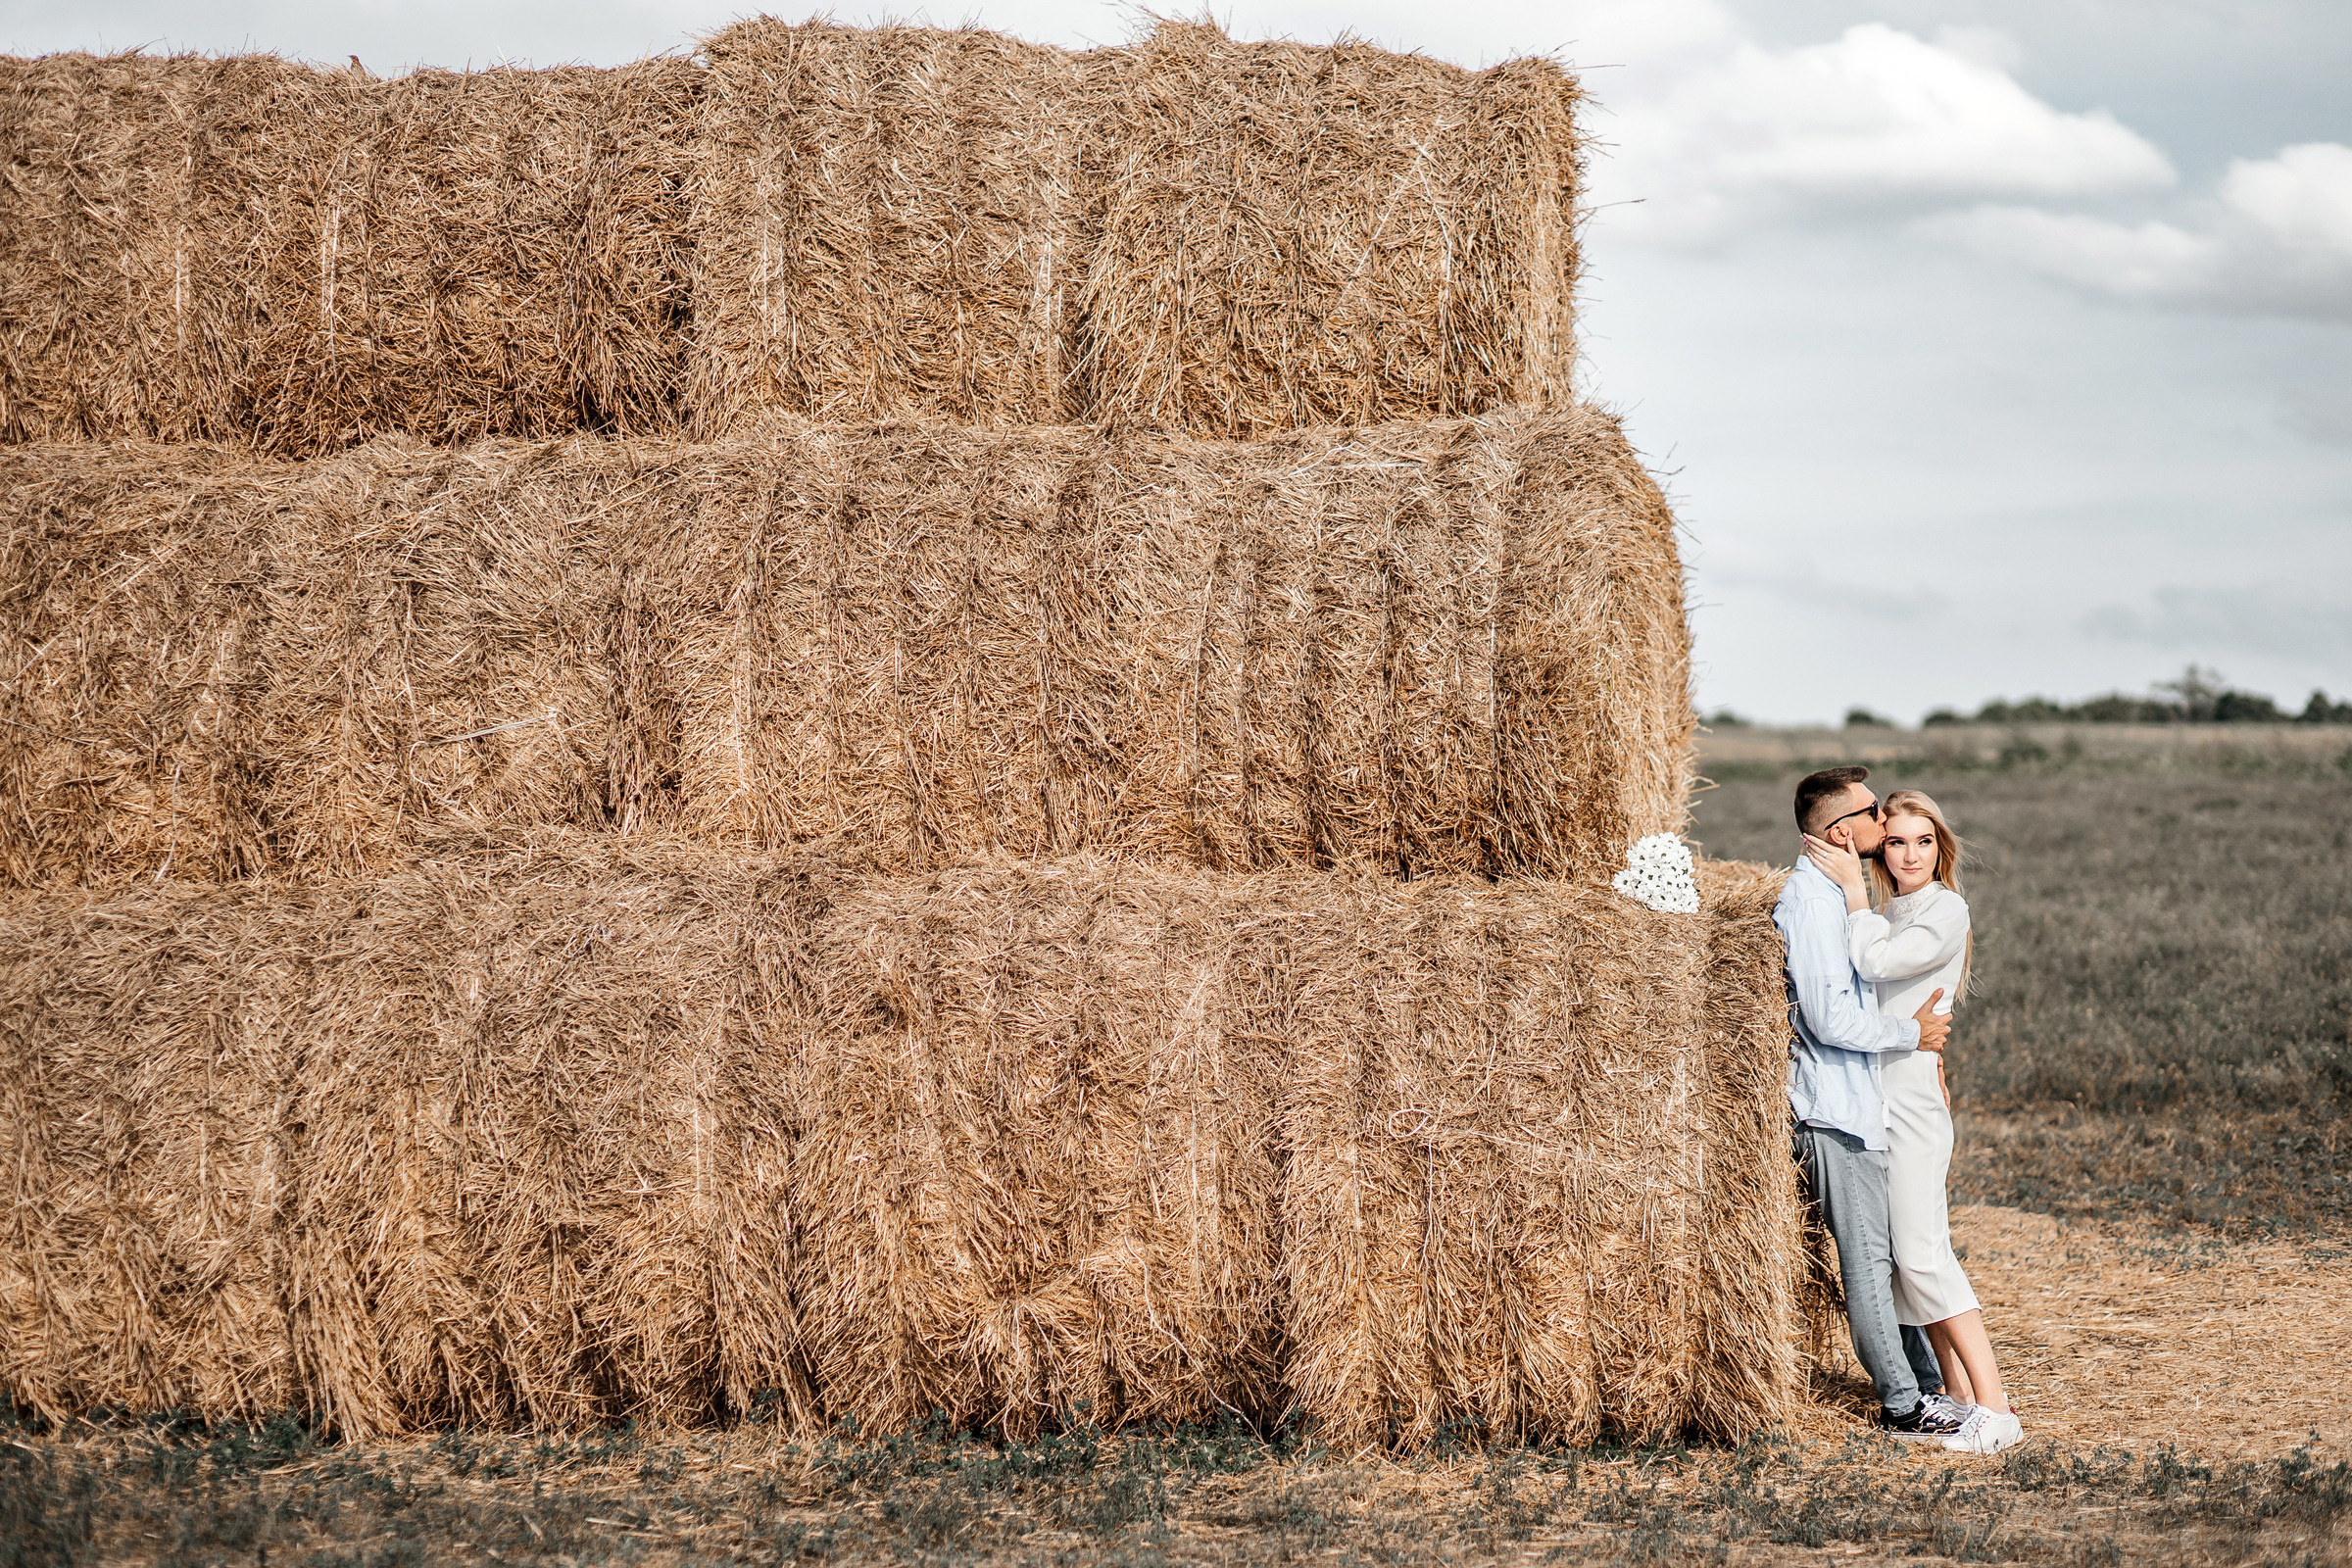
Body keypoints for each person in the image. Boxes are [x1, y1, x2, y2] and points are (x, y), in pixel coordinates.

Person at [1805, 787, 2024, 1454]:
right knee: (1903, 1262)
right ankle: (1956, 1398)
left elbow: (1875, 964)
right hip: (1882, 1098)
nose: (1908, 853)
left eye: (1923, 841)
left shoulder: (1945, 910)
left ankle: (1996, 1406)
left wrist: (1852, 894)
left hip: (1914, 1107)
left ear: (1941, 846)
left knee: (1925, 1253)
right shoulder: (1898, 908)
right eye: (1896, 840)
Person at [1777, 766, 1971, 1445]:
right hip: (1832, 1109)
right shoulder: (1811, 903)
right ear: (1840, 832)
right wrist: (1910, 1037)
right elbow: (1830, 1018)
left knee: (1885, 1256)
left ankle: (1925, 1385)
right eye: (1871, 814)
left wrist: (1925, 1058)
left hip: (1866, 1104)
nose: (1884, 825)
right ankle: (1903, 1406)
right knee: (1865, 1259)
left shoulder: (1843, 897)